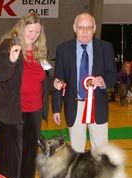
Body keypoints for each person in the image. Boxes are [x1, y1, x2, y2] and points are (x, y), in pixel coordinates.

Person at [0, 11, 52, 178]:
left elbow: (40, 79)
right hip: (9, 113)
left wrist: (55, 84)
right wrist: (11, 59)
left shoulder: (39, 51)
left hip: (33, 112)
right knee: (9, 160)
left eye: (37, 31)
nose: (33, 35)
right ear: (21, 27)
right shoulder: (8, 45)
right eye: (30, 30)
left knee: (28, 158)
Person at [52, 12, 117, 153]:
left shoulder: (106, 47)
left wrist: (104, 81)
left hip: (98, 105)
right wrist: (56, 109)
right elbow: (58, 80)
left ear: (94, 28)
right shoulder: (63, 50)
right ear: (74, 28)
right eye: (81, 27)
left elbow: (113, 75)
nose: (85, 31)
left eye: (89, 27)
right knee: (76, 153)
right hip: (74, 106)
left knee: (101, 153)